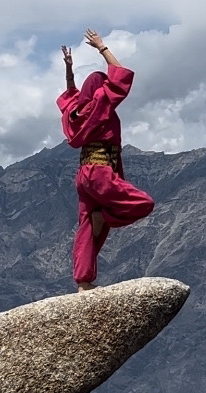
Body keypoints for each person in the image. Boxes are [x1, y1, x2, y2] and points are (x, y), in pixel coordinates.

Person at [59, 28, 154, 291]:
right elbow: (120, 78)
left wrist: (69, 71)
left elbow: (70, 97)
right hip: (101, 172)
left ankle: (83, 282)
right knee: (143, 203)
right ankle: (105, 216)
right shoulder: (101, 104)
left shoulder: (76, 113)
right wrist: (102, 47)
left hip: (84, 175)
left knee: (86, 229)